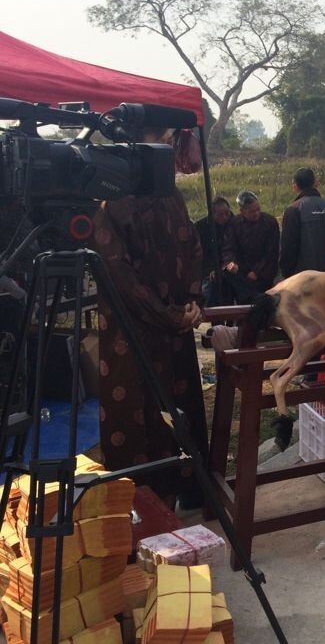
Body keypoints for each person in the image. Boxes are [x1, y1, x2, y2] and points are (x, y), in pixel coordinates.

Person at [93, 128, 208, 508]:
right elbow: (119, 276)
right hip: (133, 334)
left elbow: (192, 244)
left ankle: (189, 492)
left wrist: (193, 298)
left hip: (175, 328)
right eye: (160, 138)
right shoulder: (111, 202)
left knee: (180, 410)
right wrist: (171, 316)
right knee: (139, 417)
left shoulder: (170, 193)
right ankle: (139, 507)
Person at [279, 168, 325, 277]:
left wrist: (287, 276)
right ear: (316, 183)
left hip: (304, 280)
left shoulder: (293, 210)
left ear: (295, 186)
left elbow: (288, 250)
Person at [220, 191, 279, 304]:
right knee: (228, 273)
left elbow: (271, 253)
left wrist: (257, 272)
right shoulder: (234, 224)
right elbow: (229, 248)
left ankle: (257, 299)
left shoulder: (269, 222)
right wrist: (231, 263)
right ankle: (256, 299)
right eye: (251, 211)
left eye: (258, 209)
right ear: (242, 211)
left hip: (263, 269)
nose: (256, 213)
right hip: (242, 269)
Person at [194, 196, 234, 306]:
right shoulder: (201, 227)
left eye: (227, 213)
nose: (225, 217)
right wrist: (211, 269)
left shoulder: (235, 224)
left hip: (231, 266)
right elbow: (199, 254)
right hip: (209, 270)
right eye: (220, 215)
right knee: (210, 290)